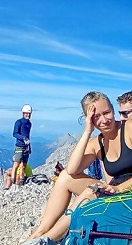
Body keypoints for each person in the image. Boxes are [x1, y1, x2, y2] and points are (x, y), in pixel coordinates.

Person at [26, 92, 131, 243]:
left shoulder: (128, 129)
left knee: (90, 191)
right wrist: (87, 131)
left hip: (126, 192)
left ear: (113, 110)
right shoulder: (98, 143)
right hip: (113, 192)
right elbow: (72, 170)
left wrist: (119, 188)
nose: (104, 120)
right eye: (96, 117)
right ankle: (38, 234)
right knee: (65, 177)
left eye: (107, 112)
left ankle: (48, 239)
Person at [11, 104, 34, 188]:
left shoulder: (29, 124)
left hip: (26, 146)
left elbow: (28, 135)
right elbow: (15, 134)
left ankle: (21, 182)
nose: (27, 115)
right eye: (26, 113)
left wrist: (29, 146)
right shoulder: (18, 122)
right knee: (16, 164)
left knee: (23, 165)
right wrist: (23, 138)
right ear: (23, 113)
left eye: (29, 113)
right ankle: (13, 182)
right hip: (19, 146)